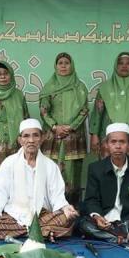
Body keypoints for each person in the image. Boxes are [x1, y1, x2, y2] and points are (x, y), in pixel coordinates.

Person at [0, 118, 79, 241]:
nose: (31, 140)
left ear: (42, 139)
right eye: (26, 136)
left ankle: (28, 231)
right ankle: (41, 232)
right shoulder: (9, 163)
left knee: (67, 219)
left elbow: (57, 195)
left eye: (35, 136)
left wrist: (65, 207)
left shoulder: (50, 165)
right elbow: (0, 192)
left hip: (42, 215)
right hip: (14, 215)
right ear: (20, 140)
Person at [39, 52, 88, 206]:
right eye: (60, 63)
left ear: (71, 65)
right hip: (53, 138)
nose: (64, 66)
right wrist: (55, 126)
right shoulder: (49, 87)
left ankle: (71, 215)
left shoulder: (80, 87)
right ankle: (50, 215)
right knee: (52, 173)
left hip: (73, 137)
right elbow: (43, 109)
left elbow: (84, 110)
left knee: (72, 175)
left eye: (67, 63)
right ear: (56, 66)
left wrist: (70, 127)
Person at [90, 52, 129, 160]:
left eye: (128, 63)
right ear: (116, 66)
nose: (124, 66)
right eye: (121, 63)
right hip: (109, 137)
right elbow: (98, 112)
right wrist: (94, 135)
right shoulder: (105, 88)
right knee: (108, 170)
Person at [0, 61, 29, 184]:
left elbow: (26, 118)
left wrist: (27, 140)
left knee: (18, 176)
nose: (2, 77)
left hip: (17, 143)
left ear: (11, 75)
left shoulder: (18, 95)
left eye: (5, 73)